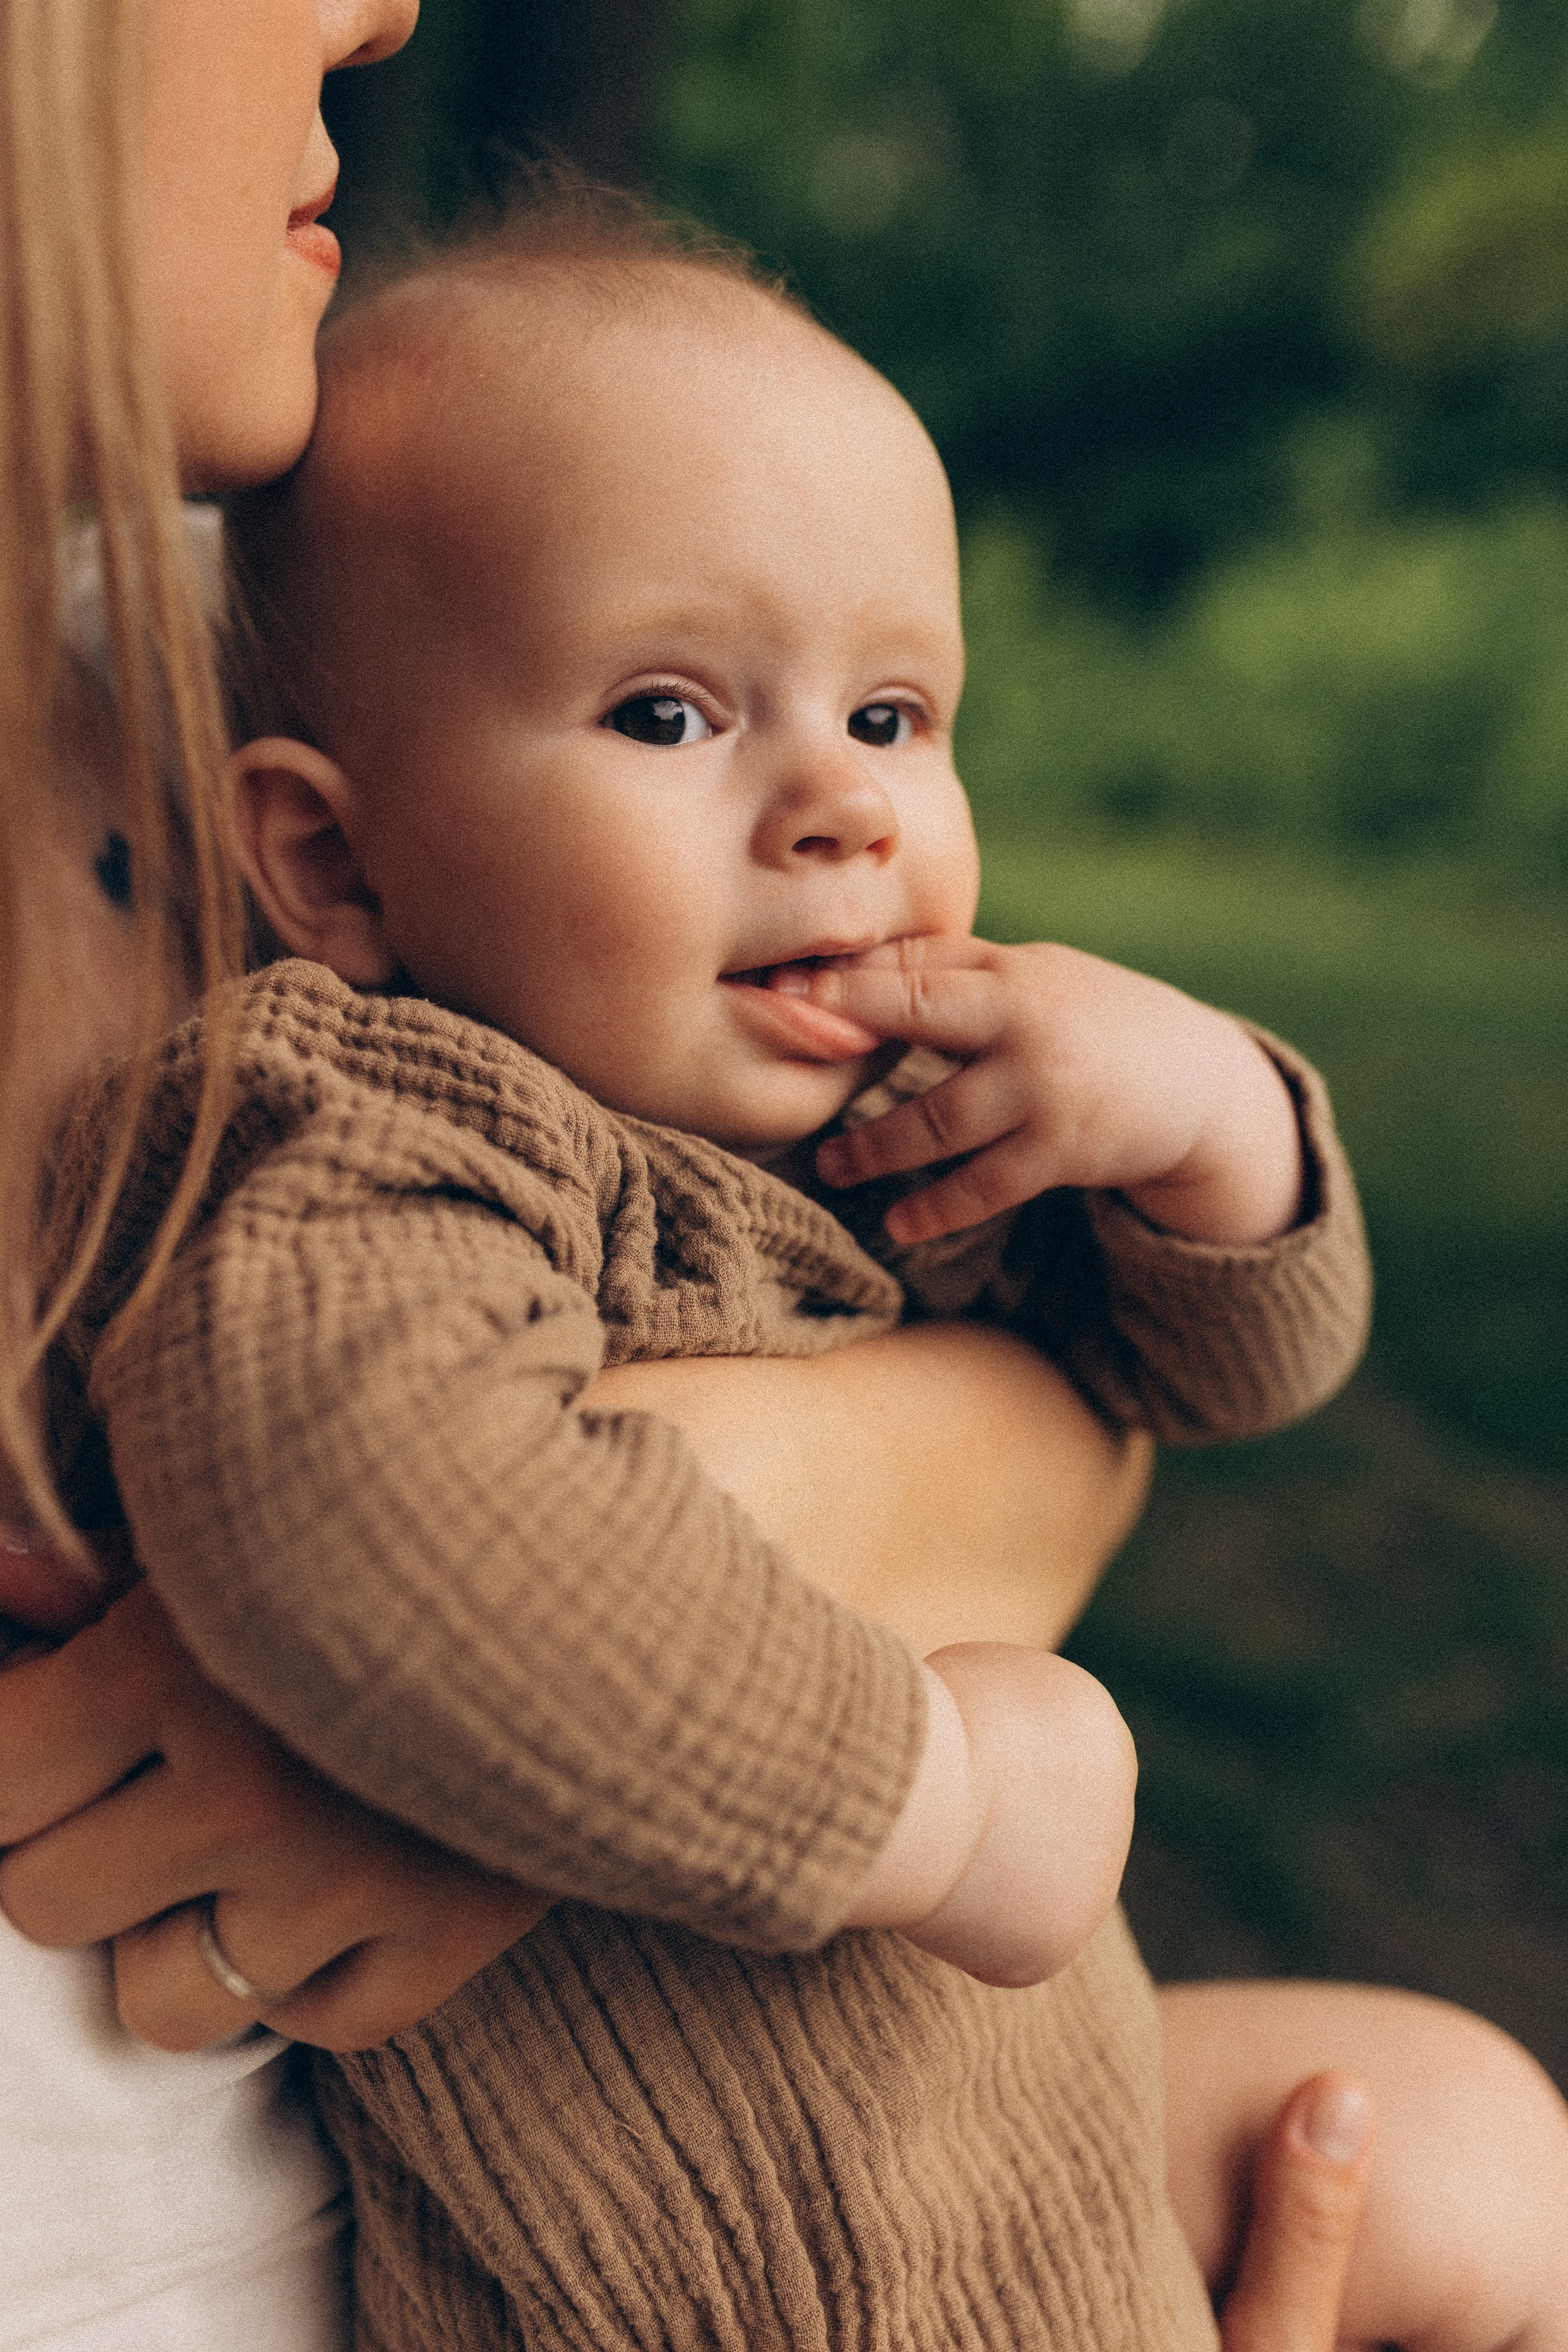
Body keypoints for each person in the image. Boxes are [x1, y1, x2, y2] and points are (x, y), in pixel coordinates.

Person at [0, 3, 1487, 2348]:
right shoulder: (396, 1122)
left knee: (1479, 2136)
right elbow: (368, 1504)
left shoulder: (821, 1127)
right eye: (671, 715)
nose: (842, 808)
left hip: (991, 2191)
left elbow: (1192, 1380)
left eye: (895, 716)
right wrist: (935, 1795)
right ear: (328, 855)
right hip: (750, 2281)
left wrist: (1215, 1123)